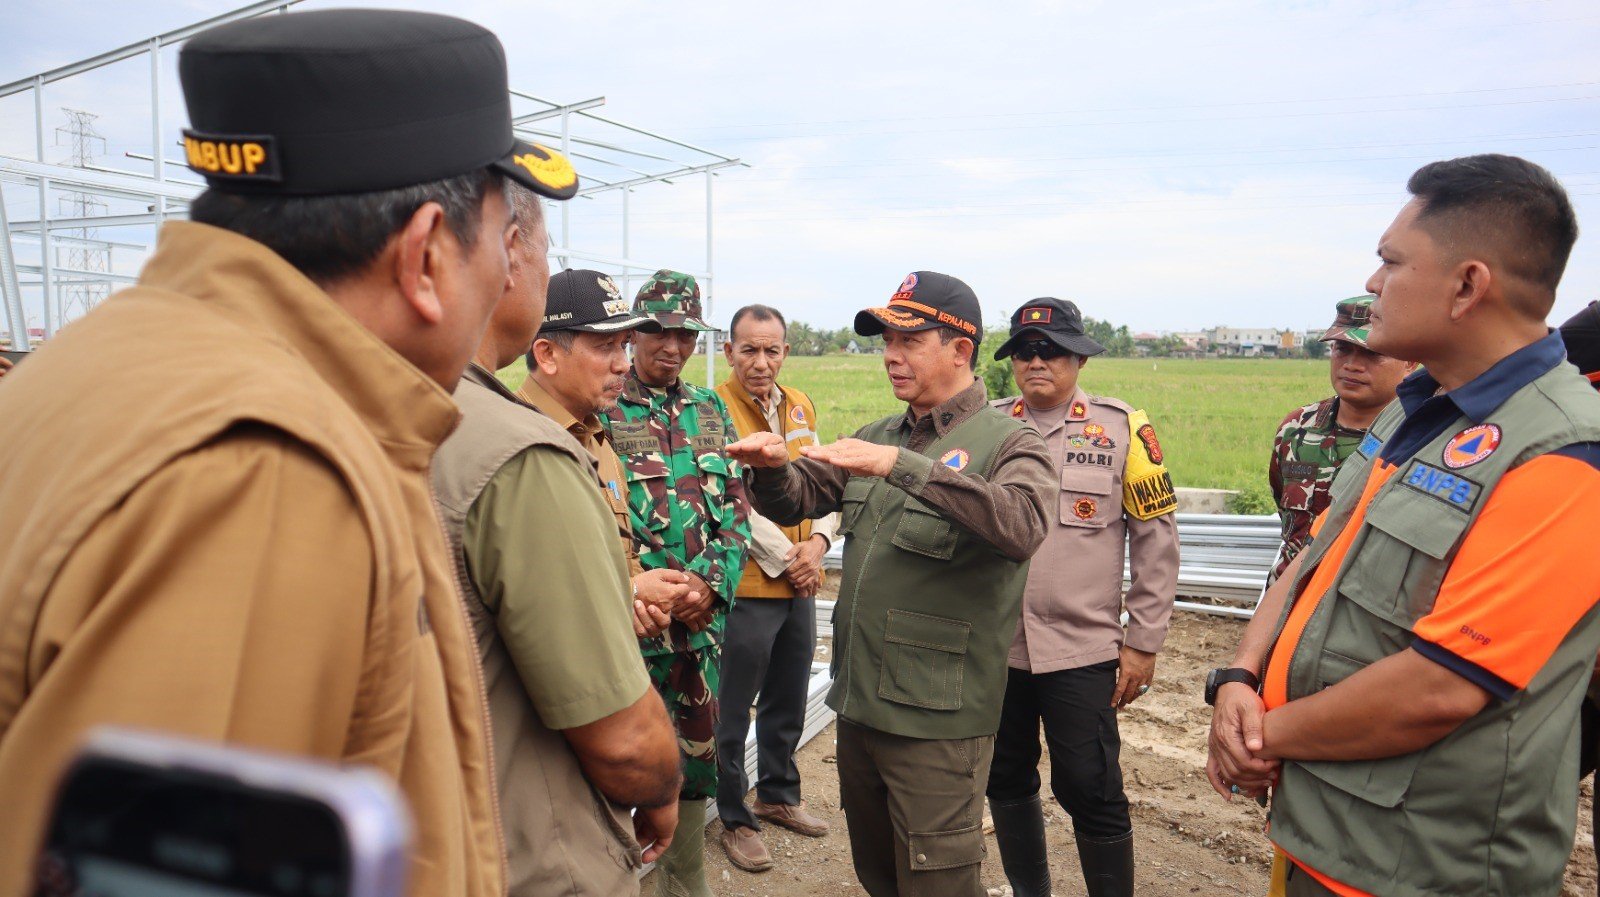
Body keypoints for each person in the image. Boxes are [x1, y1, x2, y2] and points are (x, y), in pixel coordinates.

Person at [0, 9, 581, 897]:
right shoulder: (267, 469)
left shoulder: (111, 360)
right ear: (426, 255)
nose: (510, 277)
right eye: (505, 242)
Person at [1206, 154, 1600, 897]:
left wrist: (1258, 733)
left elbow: (1441, 687)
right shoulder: (1415, 407)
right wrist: (1239, 676)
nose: (1375, 282)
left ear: (1467, 285)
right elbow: (1314, 558)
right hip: (1322, 829)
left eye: (1390, 260)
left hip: (1419, 865)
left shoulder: (1562, 451)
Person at [728, 271, 1054, 897]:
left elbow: (1022, 525)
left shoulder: (1011, 441)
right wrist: (773, 472)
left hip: (938, 720)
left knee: (939, 883)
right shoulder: (880, 434)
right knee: (879, 872)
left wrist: (906, 468)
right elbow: (804, 493)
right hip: (861, 704)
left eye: (909, 340)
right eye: (885, 341)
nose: (890, 356)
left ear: (961, 349)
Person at [431, 196, 682, 897]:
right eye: (607, 346)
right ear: (507, 254)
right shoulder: (521, 452)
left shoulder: (413, 407)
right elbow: (620, 736)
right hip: (533, 839)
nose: (623, 365)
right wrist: (661, 781)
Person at [984, 297, 1180, 897]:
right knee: (1005, 778)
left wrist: (1142, 643)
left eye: (1051, 350)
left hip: (1082, 649)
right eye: (1024, 350)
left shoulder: (1122, 428)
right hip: (998, 648)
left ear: (1079, 358)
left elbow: (1156, 541)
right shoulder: (986, 427)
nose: (1036, 360)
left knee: (1090, 786)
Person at [601, 270, 752, 897]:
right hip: (632, 635)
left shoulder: (710, 409)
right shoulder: (605, 406)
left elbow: (738, 510)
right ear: (635, 333)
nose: (672, 345)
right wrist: (638, 587)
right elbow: (591, 515)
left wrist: (711, 586)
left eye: (684, 333)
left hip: (699, 635)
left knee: (694, 768)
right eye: (658, 331)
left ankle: (684, 887)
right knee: (616, 768)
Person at [712, 304, 837, 873]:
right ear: (729, 350)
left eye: (772, 350)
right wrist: (791, 557)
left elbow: (823, 482)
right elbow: (727, 501)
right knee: (732, 708)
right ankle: (736, 818)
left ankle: (780, 795)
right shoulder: (713, 408)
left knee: (788, 695)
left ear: (785, 351)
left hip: (801, 578)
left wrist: (818, 546)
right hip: (751, 580)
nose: (760, 362)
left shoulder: (799, 405)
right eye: (748, 350)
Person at [518, 269, 698, 639]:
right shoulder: (514, 444)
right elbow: (519, 588)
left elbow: (618, 558)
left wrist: (637, 595)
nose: (624, 364)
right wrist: (629, 592)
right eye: (605, 347)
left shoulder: (598, 443)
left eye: (623, 345)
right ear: (547, 354)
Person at [1267, 296, 1414, 584]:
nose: (1352, 365)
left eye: (1372, 354)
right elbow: (1284, 510)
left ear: (1410, 361)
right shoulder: (1296, 429)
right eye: (1342, 350)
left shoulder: (1423, 436)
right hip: (1288, 599)